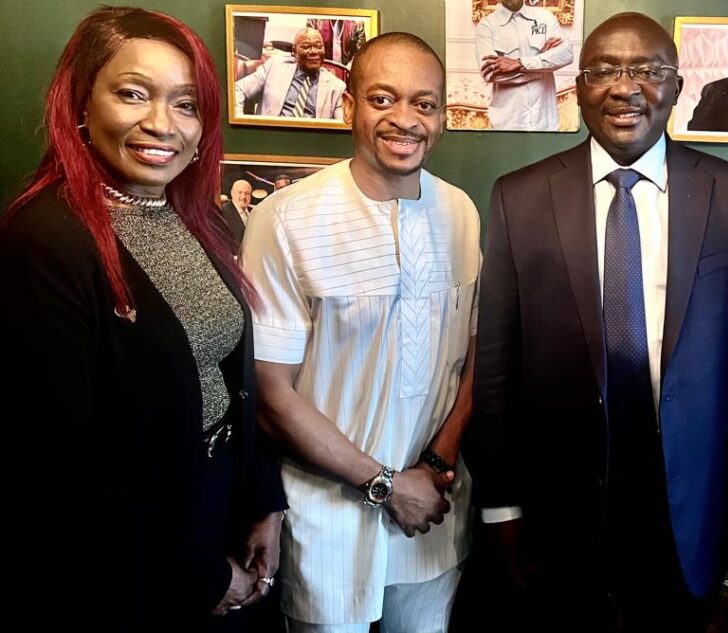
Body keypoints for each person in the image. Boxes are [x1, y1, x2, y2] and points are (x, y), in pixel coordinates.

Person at [466, 12, 728, 632]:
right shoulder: (518, 196)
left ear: (677, 85)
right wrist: (500, 504)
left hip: (692, 496)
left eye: (646, 70)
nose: (624, 87)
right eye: (604, 71)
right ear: (578, 86)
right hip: (560, 499)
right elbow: (498, 366)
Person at [0, 6, 287, 632]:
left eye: (186, 105)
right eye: (133, 94)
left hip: (217, 513)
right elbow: (56, 466)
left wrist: (266, 502)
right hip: (130, 563)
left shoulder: (194, 217)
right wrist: (200, 575)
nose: (163, 124)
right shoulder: (44, 241)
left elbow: (228, 377)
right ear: (81, 104)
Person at [242, 32, 479, 632]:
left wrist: (432, 464)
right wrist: (385, 484)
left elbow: (476, 356)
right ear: (349, 105)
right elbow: (272, 393)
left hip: (432, 510)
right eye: (383, 99)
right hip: (325, 519)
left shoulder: (462, 212)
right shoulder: (285, 218)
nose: (405, 120)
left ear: (443, 118)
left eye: (424, 104)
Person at [474, 0, 574, 131]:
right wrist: (544, 63)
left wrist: (518, 63)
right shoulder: (487, 26)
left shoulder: (546, 18)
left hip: (546, 123)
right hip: (507, 124)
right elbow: (490, 74)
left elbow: (567, 54)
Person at [234, 28, 346, 119]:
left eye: (319, 46)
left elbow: (340, 127)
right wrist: (239, 122)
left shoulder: (336, 86)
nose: (314, 51)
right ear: (294, 52)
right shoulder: (274, 66)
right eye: (306, 47)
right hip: (270, 138)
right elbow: (238, 89)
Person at [222, 178, 253, 253]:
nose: (243, 197)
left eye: (247, 193)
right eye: (240, 192)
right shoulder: (223, 212)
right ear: (232, 193)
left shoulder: (254, 212)